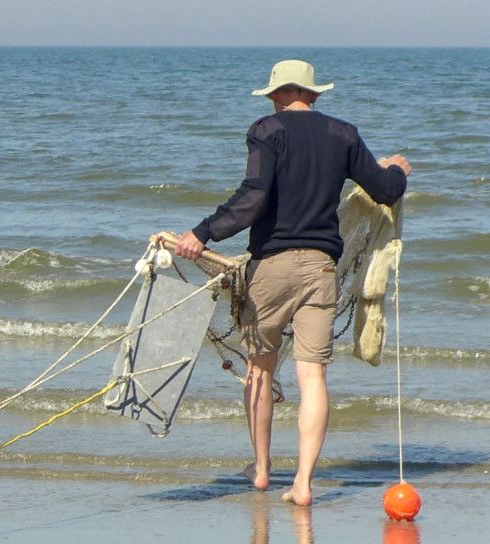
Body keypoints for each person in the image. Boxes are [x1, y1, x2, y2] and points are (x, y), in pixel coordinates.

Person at [175, 59, 411, 506]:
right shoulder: (344, 134)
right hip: (321, 270)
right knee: (312, 376)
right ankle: (303, 484)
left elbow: (252, 197)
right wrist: (398, 169)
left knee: (259, 370)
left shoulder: (267, 130)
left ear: (277, 94)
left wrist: (201, 232)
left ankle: (262, 469)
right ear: (314, 94)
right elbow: (384, 189)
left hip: (270, 269)